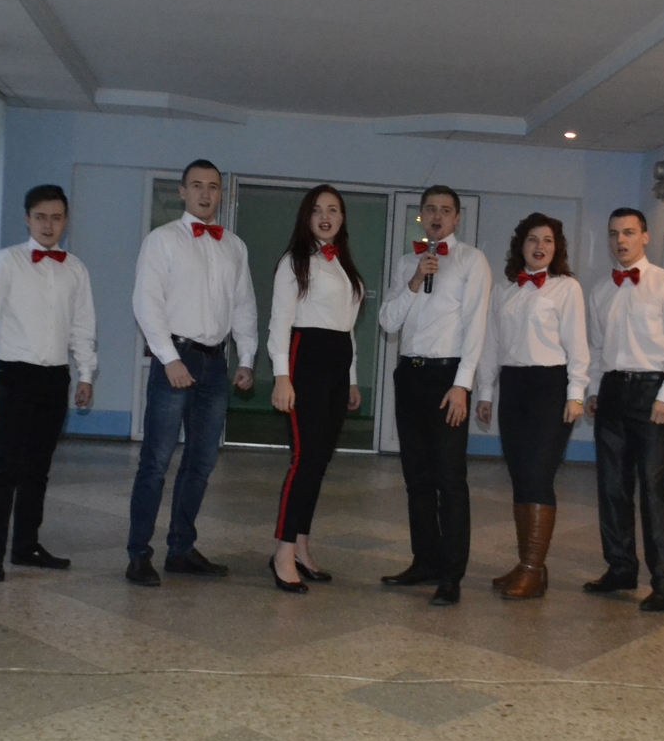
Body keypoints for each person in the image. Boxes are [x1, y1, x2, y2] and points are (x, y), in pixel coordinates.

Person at [125, 159, 258, 587]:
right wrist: (169, 358)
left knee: (201, 463)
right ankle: (138, 555)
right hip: (175, 359)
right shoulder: (162, 240)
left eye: (213, 186)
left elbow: (243, 306)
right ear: (182, 191)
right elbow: (147, 303)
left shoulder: (234, 246)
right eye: (197, 185)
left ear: (222, 194)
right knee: (156, 462)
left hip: (215, 364)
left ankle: (181, 549)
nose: (205, 193)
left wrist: (246, 358)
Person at [0, 184, 97, 583]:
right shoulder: (5, 263)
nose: (48, 225)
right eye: (41, 217)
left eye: (56, 218)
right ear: (27, 219)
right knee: (5, 466)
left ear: (66, 221)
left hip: (54, 377)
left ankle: (26, 546)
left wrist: (86, 373)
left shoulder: (76, 269)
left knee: (38, 469)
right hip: (12, 375)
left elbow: (82, 327)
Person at [376, 185, 491, 606]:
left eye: (445, 210)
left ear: (457, 218)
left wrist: (463, 385)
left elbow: (475, 326)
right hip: (410, 374)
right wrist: (414, 281)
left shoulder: (472, 260)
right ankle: (424, 559)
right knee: (416, 477)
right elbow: (388, 323)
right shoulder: (408, 262)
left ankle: (452, 574)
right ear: (421, 216)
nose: (437, 217)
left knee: (449, 479)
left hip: (447, 377)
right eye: (430, 209)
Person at [583, 208, 664, 612]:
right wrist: (593, 389)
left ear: (645, 237)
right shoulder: (600, 290)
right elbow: (596, 347)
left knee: (652, 487)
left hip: (651, 392)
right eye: (614, 233)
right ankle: (620, 567)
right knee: (612, 486)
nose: (621, 240)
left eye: (629, 232)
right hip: (612, 391)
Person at [475, 213, 588, 600]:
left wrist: (576, 394)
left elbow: (578, 344)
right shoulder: (505, 289)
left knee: (539, 476)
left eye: (548, 240)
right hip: (513, 385)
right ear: (520, 245)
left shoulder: (567, 288)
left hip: (551, 387)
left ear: (557, 248)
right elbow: (491, 342)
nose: (540, 246)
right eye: (533, 239)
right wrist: (486, 391)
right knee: (520, 476)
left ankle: (531, 569)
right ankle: (529, 565)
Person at [267, 185, 365, 593]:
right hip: (305, 359)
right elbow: (279, 321)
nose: (326, 217)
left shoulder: (342, 263)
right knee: (304, 460)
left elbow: (348, 327)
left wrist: (352, 378)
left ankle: (302, 548)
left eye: (334, 210)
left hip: (337, 362)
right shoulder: (294, 261)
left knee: (320, 461)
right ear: (306, 217)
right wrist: (281, 376)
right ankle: (283, 552)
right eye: (318, 210)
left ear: (342, 218)